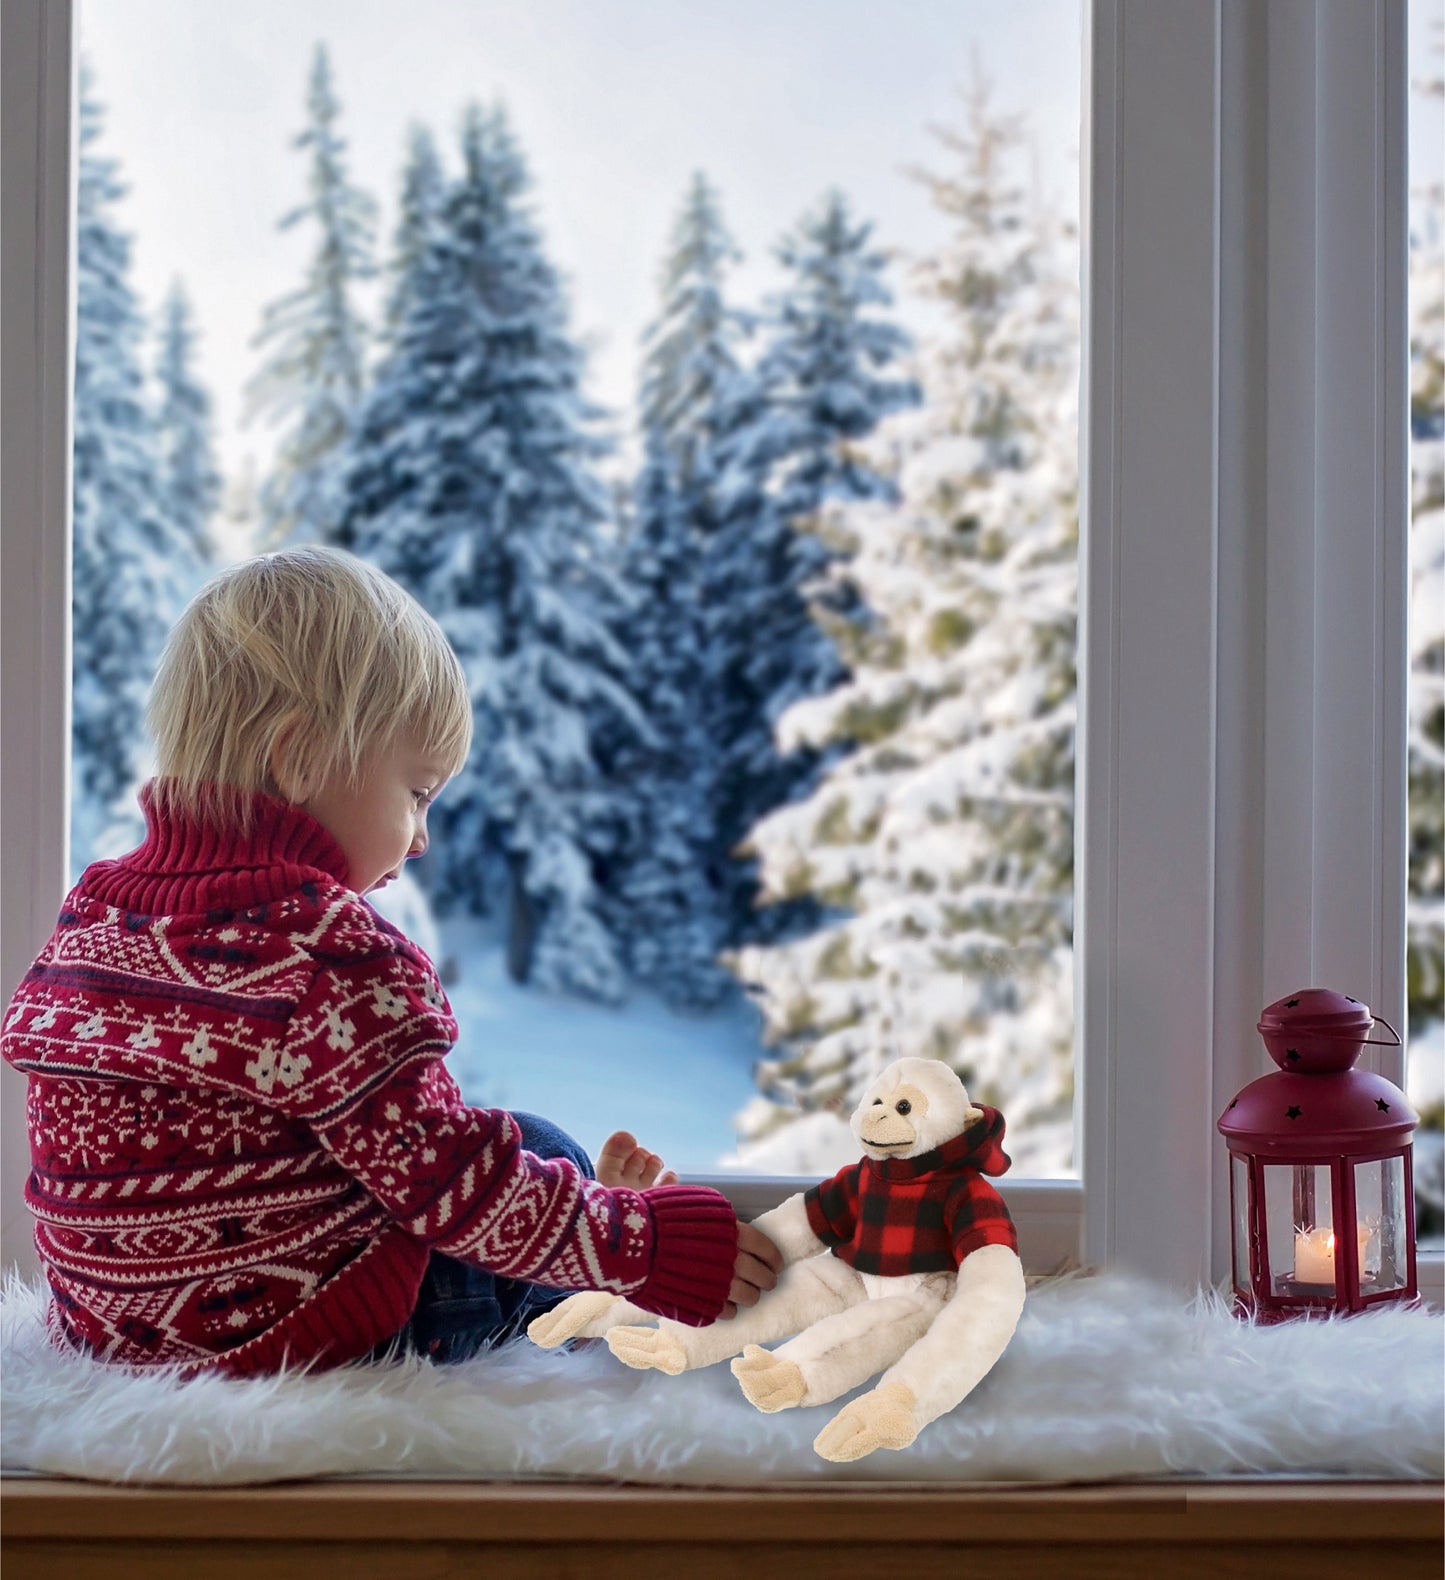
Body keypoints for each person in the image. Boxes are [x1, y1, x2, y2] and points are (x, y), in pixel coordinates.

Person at [1, 547, 780, 1374]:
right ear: (297, 758)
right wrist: (651, 1247)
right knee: (538, 1146)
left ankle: (586, 1236)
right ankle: (596, 1288)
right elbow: (450, 1187)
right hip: (305, 1333)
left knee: (452, 1150)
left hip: (110, 1332)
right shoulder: (331, 954)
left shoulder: (95, 913)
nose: (420, 838)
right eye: (415, 793)